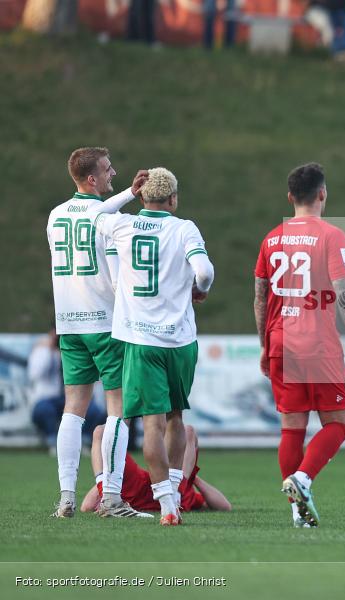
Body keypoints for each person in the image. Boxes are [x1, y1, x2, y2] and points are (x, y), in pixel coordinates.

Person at [95, 167, 215, 526]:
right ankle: (175, 491)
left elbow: (96, 212)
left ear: (143, 196)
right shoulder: (184, 228)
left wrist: (127, 193)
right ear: (173, 199)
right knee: (176, 417)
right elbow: (205, 271)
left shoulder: (123, 225)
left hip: (141, 340)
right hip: (179, 339)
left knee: (152, 423)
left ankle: (166, 505)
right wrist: (200, 289)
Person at [253, 163, 345, 528]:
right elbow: (344, 290)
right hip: (317, 342)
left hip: (280, 340)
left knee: (292, 427)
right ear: (322, 194)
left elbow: (260, 297)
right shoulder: (331, 235)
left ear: (290, 197)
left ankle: (297, 511)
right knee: (339, 422)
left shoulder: (272, 238)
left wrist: (264, 344)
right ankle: (302, 479)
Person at [46, 148, 148, 519]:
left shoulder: (55, 215)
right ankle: (112, 498)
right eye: (107, 169)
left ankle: (66, 497)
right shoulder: (109, 220)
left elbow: (91, 214)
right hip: (105, 323)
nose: (113, 173)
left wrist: (129, 194)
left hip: (69, 323)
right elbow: (119, 276)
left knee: (73, 409)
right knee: (119, 410)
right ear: (92, 178)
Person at [80, 424, 231, 515]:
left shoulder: (189, 497)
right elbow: (225, 506)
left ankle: (176, 491)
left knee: (101, 432)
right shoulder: (189, 496)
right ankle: (175, 493)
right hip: (171, 485)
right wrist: (192, 477)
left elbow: (86, 507)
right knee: (187, 431)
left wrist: (107, 481)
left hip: (139, 490)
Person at [30, 330, 105, 452]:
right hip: (51, 398)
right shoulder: (44, 350)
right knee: (43, 409)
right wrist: (48, 351)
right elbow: (35, 374)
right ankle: (53, 441)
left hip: (74, 397)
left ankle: (83, 441)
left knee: (94, 410)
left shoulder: (78, 351)